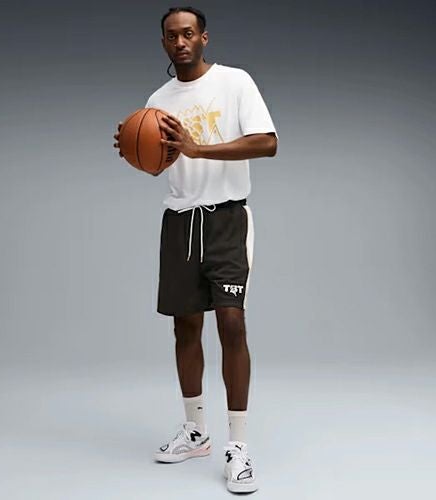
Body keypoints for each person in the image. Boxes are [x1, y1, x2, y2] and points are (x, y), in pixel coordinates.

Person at [114, 6, 278, 494]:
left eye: (188, 33)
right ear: (164, 43)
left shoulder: (234, 82)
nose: (180, 42)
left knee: (231, 322)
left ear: (204, 38)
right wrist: (137, 149)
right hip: (180, 220)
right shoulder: (158, 101)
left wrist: (197, 148)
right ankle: (196, 431)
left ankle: (238, 445)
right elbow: (162, 162)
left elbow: (267, 143)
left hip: (225, 218)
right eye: (172, 36)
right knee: (184, 327)